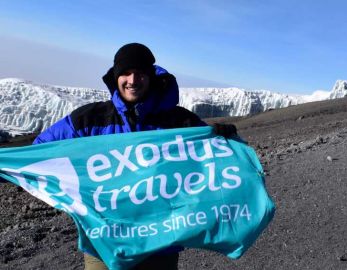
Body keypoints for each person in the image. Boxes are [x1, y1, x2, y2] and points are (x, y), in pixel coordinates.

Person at [33, 43, 236, 269]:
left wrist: (225, 140)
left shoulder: (179, 122)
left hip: (161, 243)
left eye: (139, 73)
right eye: (125, 73)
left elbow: (211, 159)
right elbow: (39, 152)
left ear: (150, 77)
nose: (132, 80)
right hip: (106, 242)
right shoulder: (89, 120)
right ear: (115, 76)